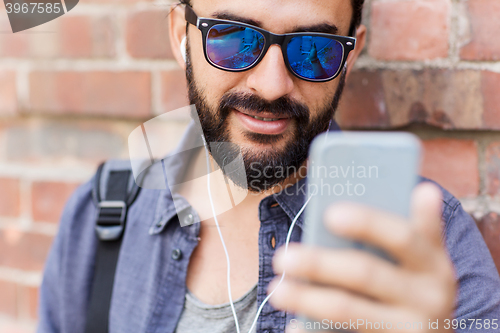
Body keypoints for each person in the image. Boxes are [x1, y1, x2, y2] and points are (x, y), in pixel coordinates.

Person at [37, 0, 500, 332]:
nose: (272, 85)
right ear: (182, 36)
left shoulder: (430, 242)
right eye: (235, 38)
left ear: (350, 54)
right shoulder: (100, 221)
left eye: (313, 49)